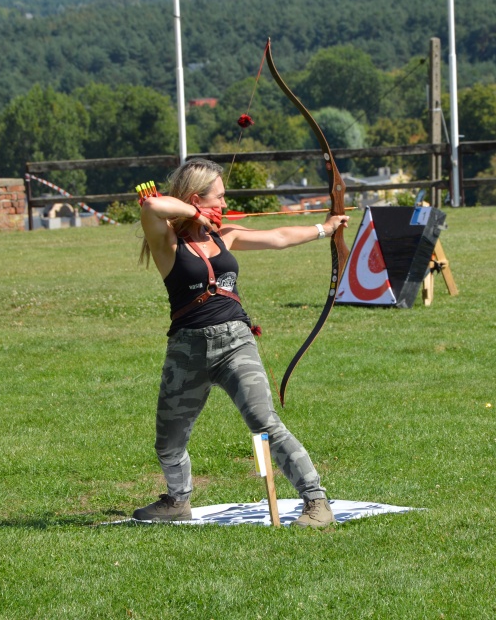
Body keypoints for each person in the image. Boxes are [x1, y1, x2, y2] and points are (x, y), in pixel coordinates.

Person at [133, 158, 348, 528]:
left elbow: (279, 238)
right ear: (197, 198)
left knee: (264, 422)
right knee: (168, 442)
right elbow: (152, 205)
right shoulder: (165, 241)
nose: (224, 205)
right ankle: (177, 500)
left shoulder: (225, 235)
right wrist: (195, 214)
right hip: (187, 350)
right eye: (218, 198)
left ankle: (316, 501)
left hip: (236, 341)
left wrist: (324, 228)